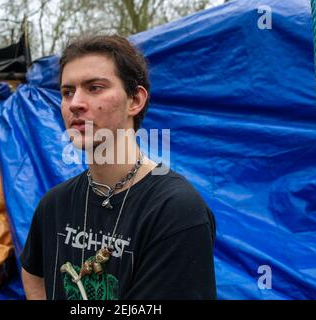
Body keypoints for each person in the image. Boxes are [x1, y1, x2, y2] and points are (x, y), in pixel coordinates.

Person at [20, 35, 216, 300]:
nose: (75, 102)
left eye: (95, 87)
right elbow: (33, 271)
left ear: (135, 100)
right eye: (67, 92)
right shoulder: (54, 205)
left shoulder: (176, 210)